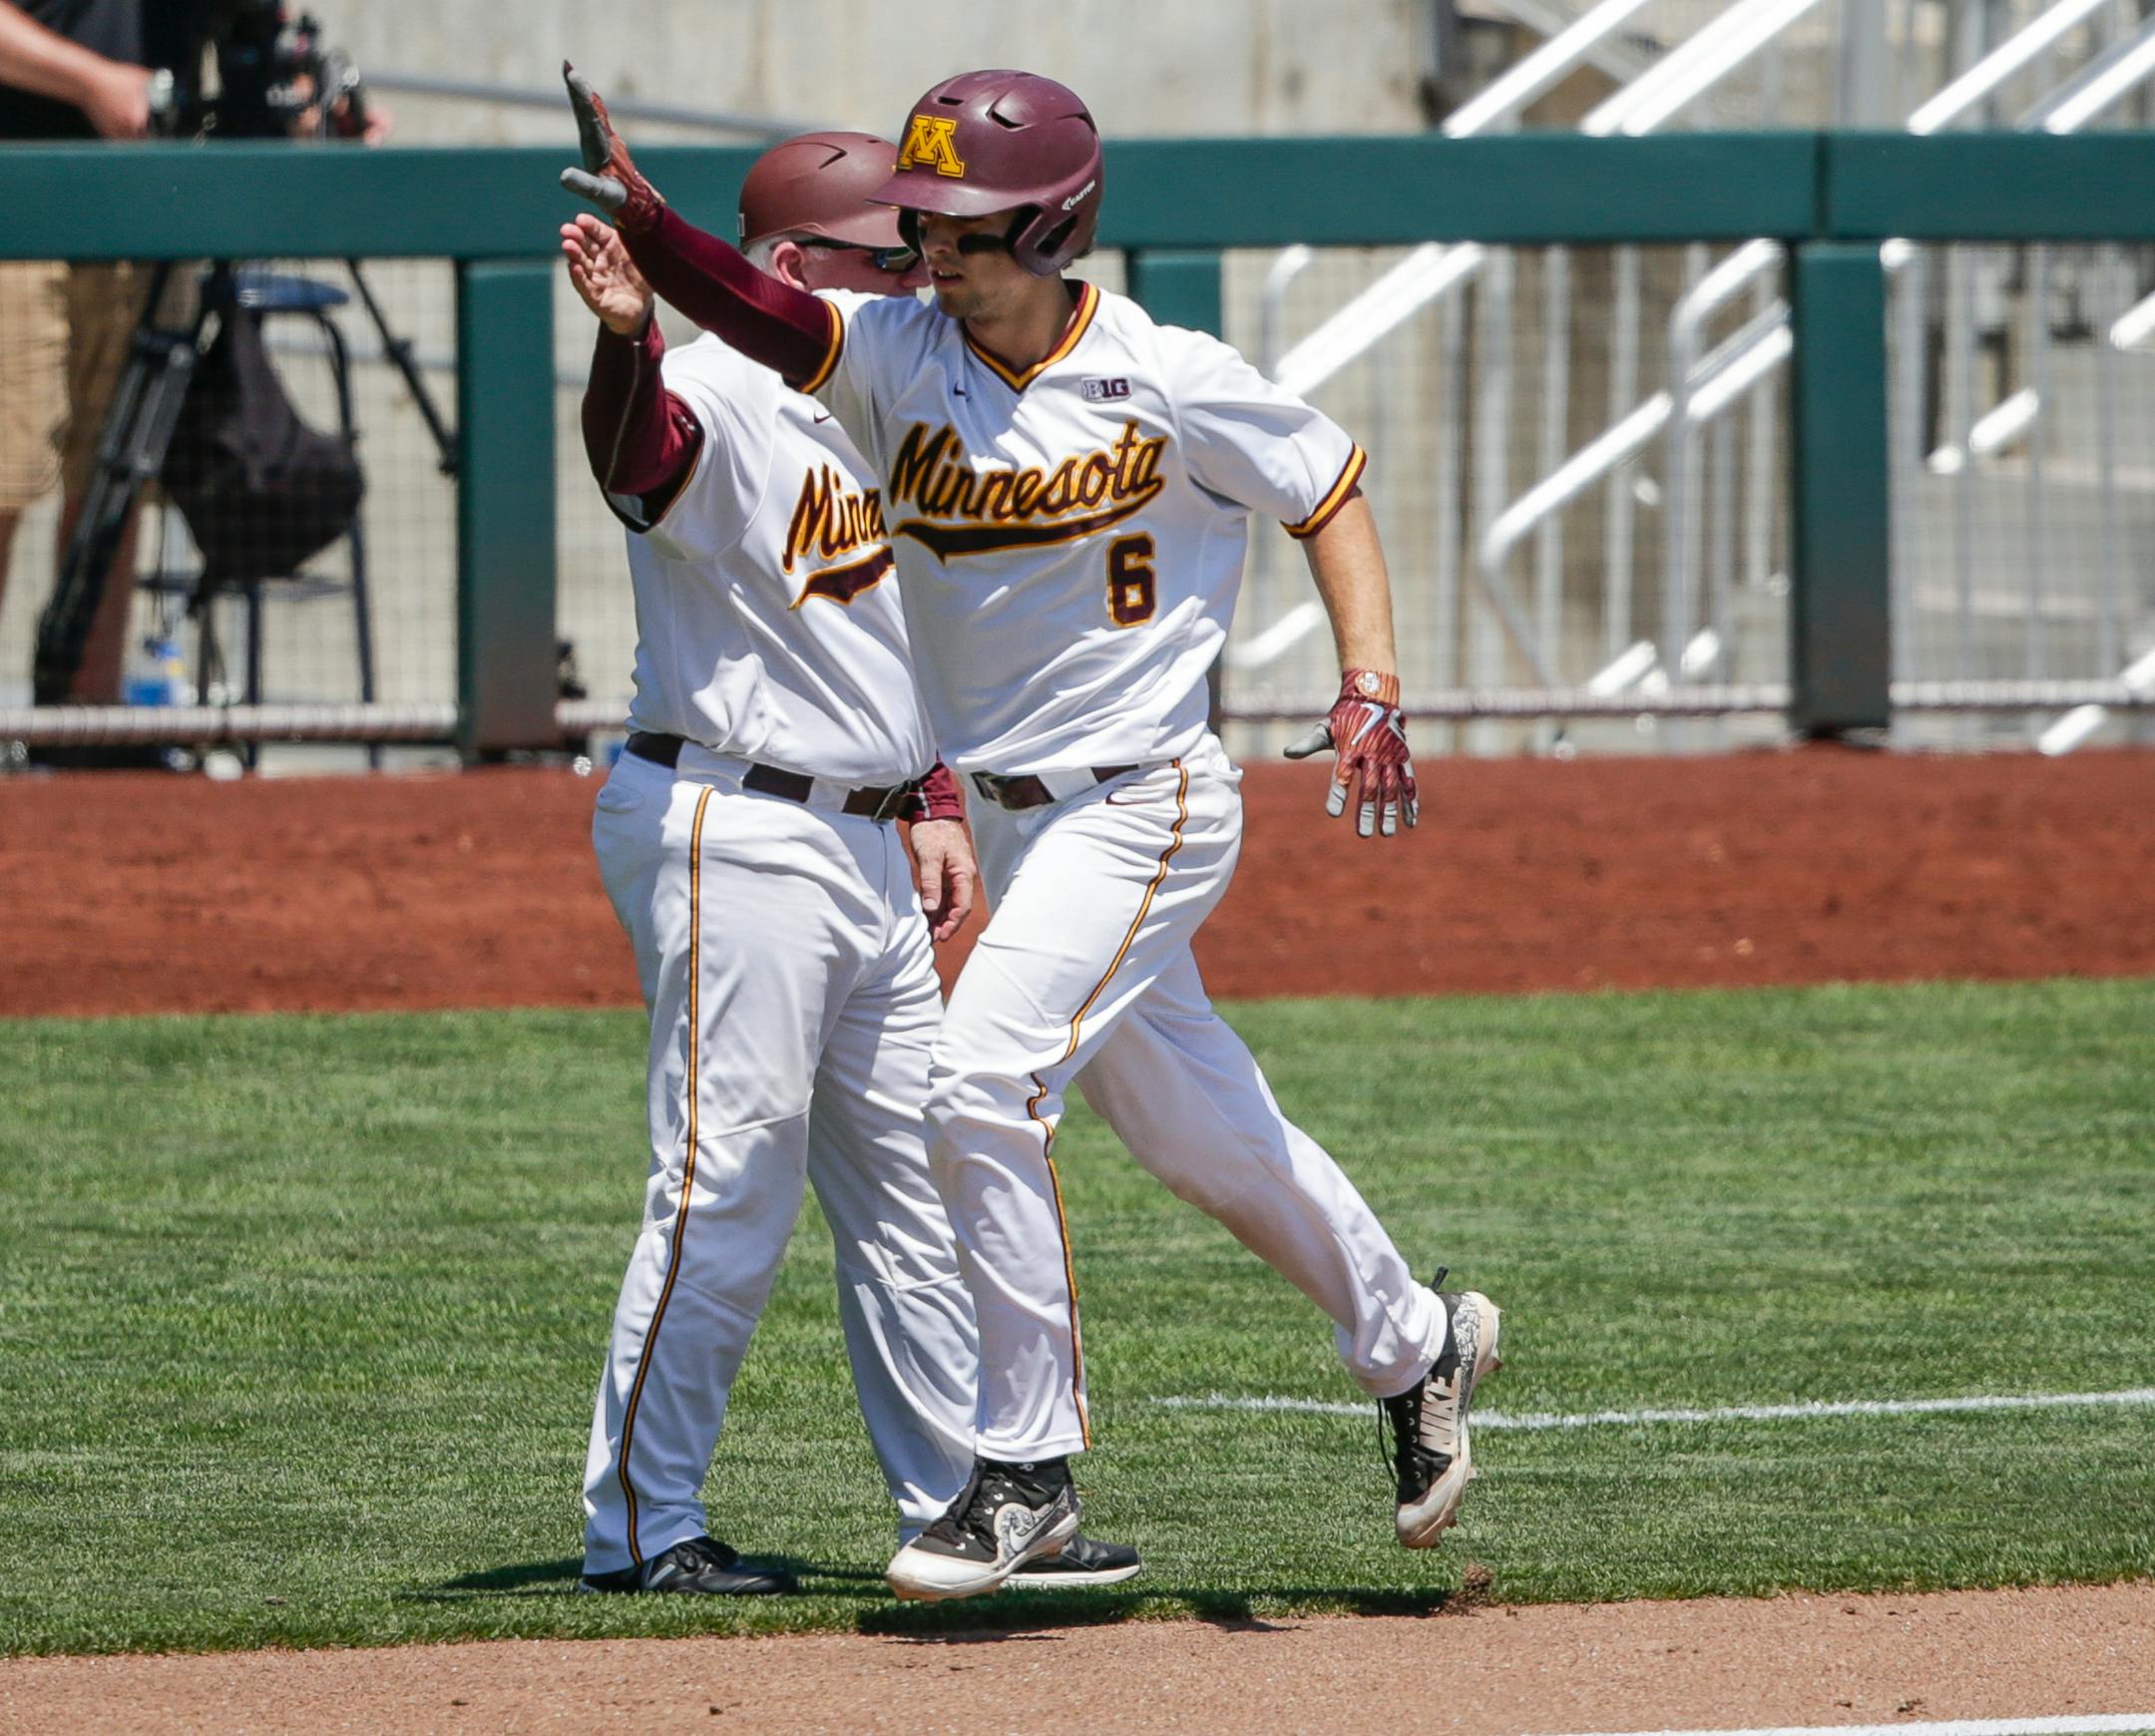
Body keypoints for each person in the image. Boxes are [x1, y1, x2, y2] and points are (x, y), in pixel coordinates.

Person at [563, 64, 1505, 1605]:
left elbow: (1327, 484)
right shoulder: (888, 356)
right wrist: (656, 234)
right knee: (1202, 1135)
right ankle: (1416, 1349)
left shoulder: (1164, 371)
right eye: (920, 223)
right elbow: (757, 314)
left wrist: (1371, 685)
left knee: (977, 1077)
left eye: (968, 228)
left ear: (1057, 224)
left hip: (1147, 798)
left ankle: (1027, 1477)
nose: (935, 252)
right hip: (1015, 829)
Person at [565, 127, 1139, 1594]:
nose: (921, 272)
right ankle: (639, 1528)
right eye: (890, 254)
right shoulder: (713, 387)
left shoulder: (894, 403)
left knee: (916, 1176)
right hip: (734, 821)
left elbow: (895, 641)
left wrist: (935, 786)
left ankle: (970, 1505)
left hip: (872, 833)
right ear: (789, 268)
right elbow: (642, 465)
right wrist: (631, 340)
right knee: (726, 1186)